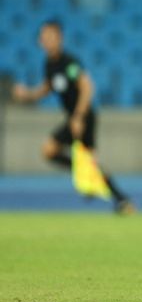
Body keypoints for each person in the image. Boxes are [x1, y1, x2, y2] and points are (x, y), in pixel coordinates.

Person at [11, 20, 135, 214]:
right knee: (52, 152)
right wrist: (27, 94)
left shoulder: (68, 62)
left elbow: (87, 87)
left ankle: (123, 200)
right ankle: (92, 181)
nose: (46, 40)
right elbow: (46, 88)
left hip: (83, 117)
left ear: (59, 38)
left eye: (50, 36)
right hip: (73, 118)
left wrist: (78, 117)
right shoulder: (49, 64)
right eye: (43, 37)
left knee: (86, 161)